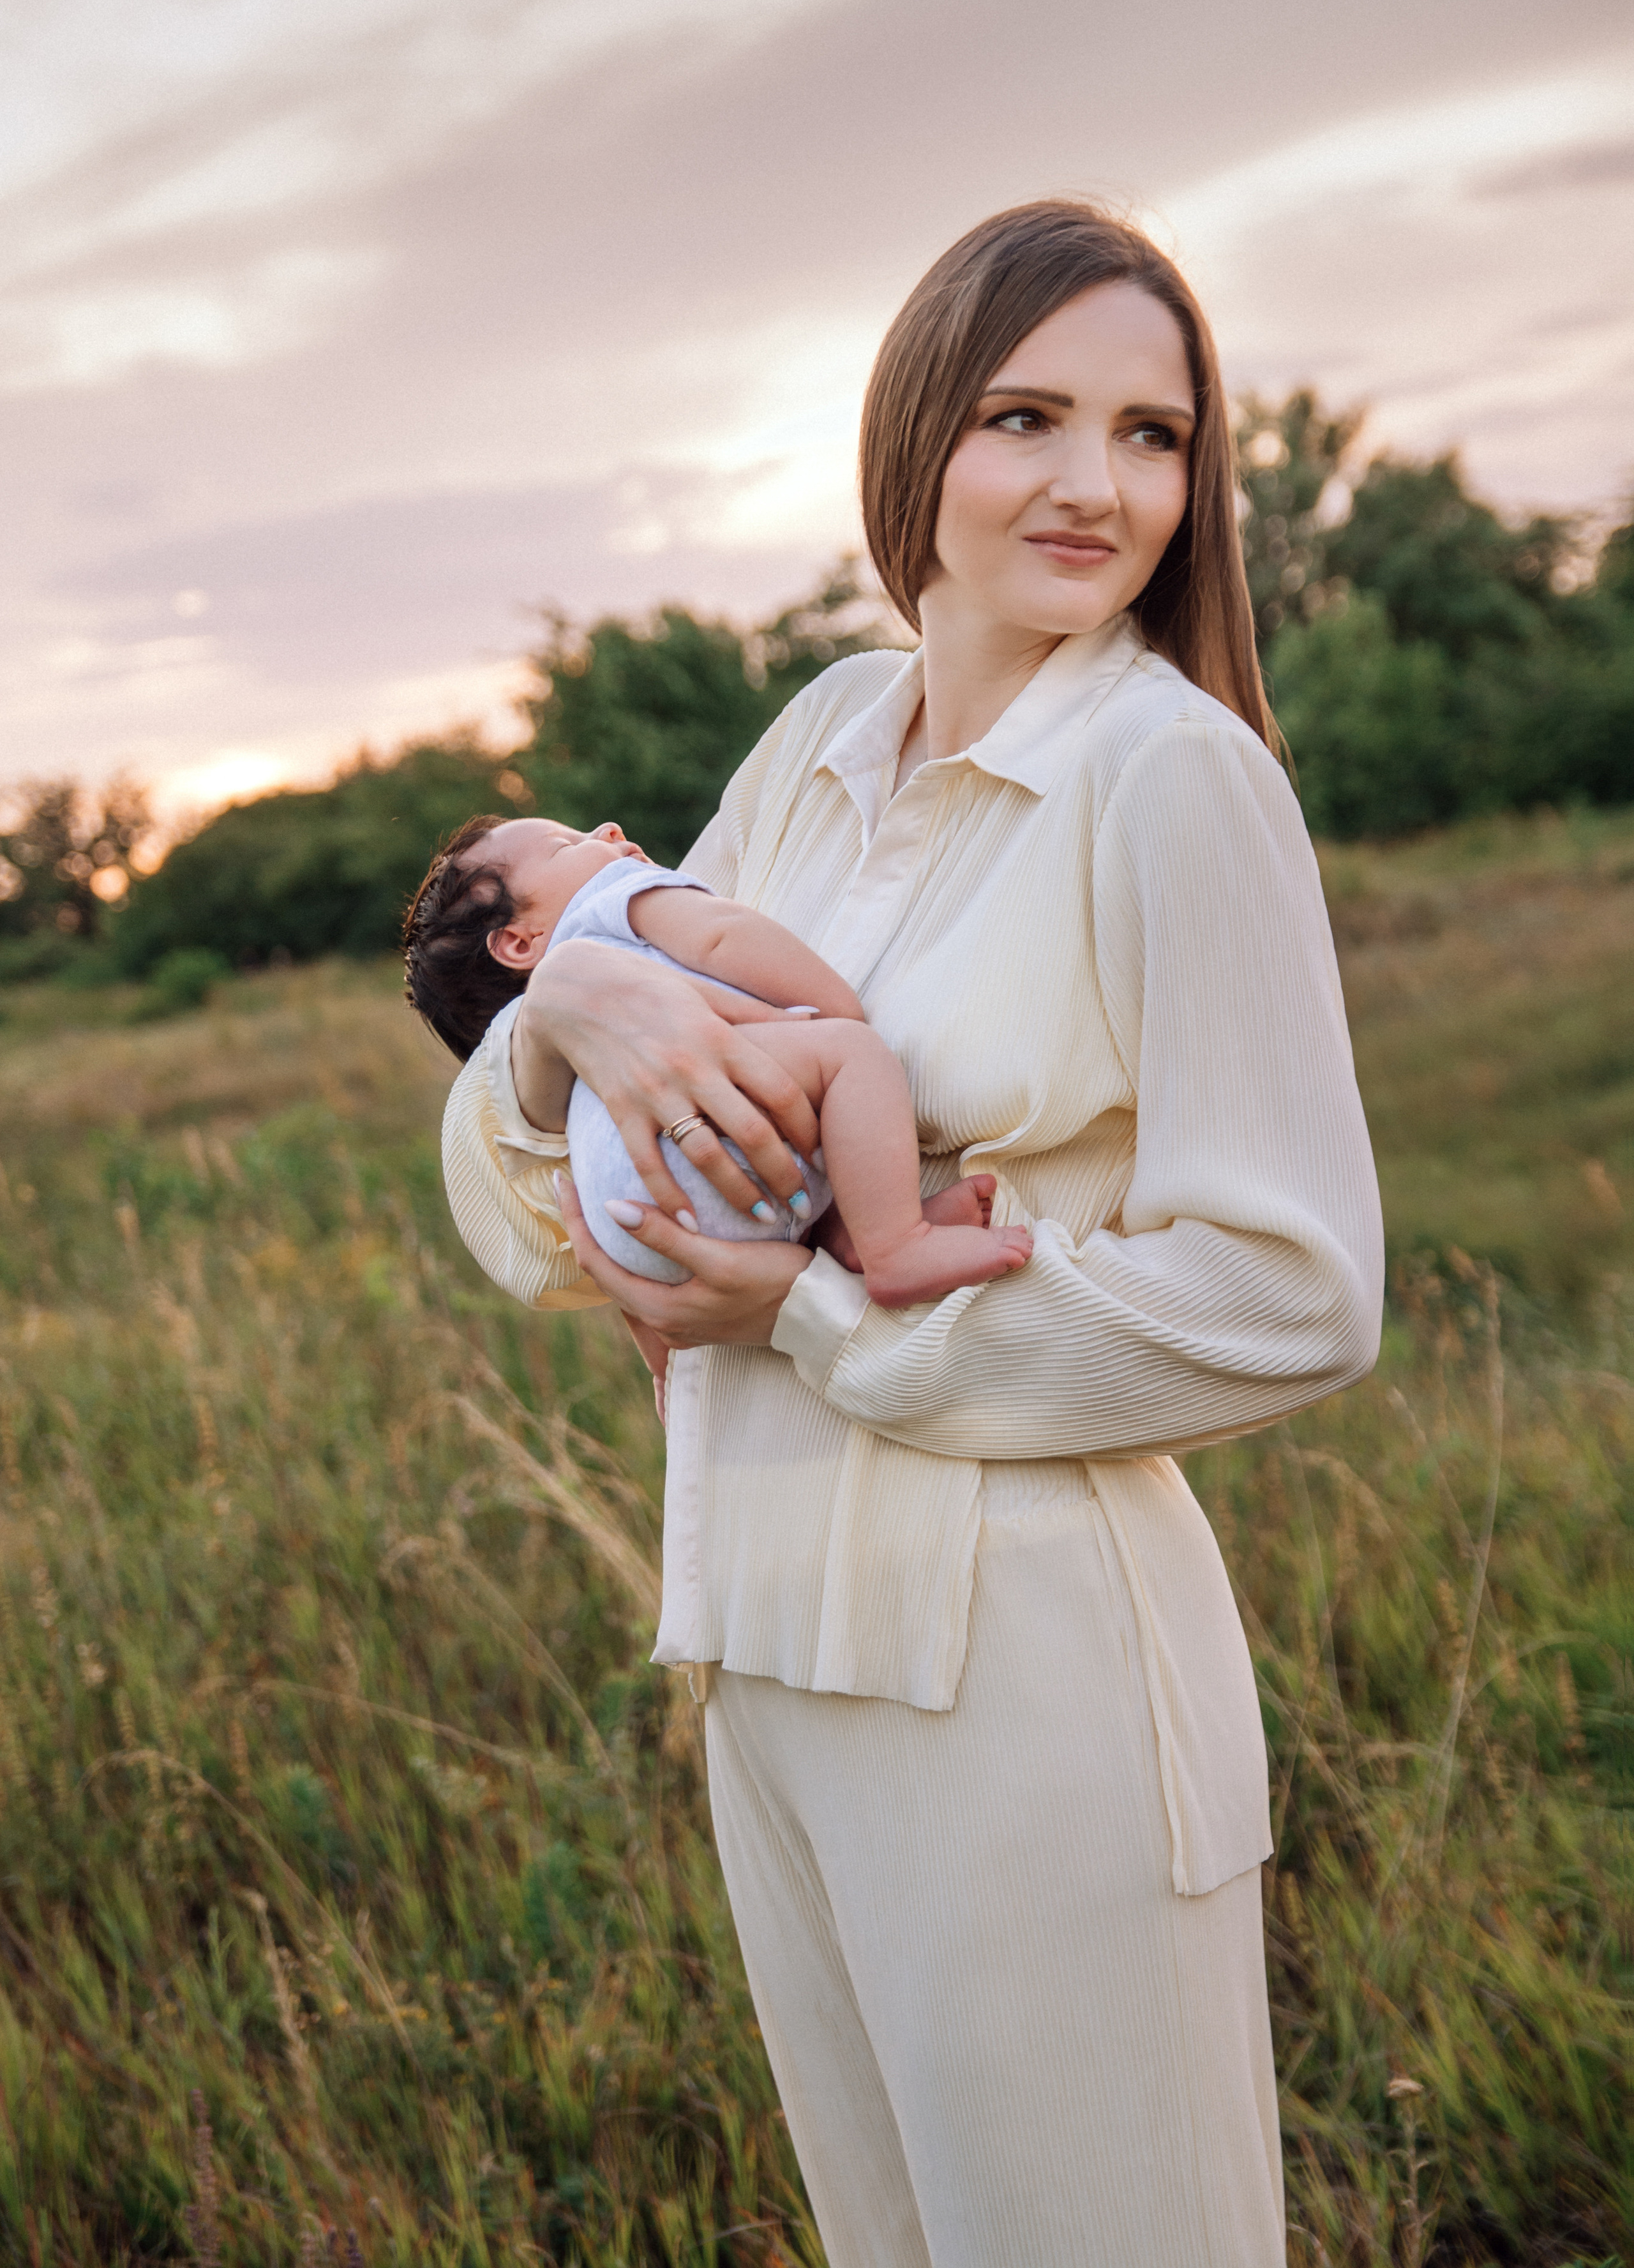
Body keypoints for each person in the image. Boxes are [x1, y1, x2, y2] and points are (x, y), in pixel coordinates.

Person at [437, 197, 1384, 2267]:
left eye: (1154, 435)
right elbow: (542, 1230)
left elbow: (1300, 1292)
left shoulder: (1172, 780)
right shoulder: (813, 754)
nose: (1095, 486)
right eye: (1028, 416)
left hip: (1021, 1675)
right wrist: (554, 1028)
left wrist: (819, 1313)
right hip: (766, 1649)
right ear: (914, 444)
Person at [402, 813, 1031, 1303]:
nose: (609, 831)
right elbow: (719, 934)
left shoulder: (576, 1055)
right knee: (848, 1056)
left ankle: (836, 1238)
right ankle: (896, 1243)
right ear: (518, 941)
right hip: (719, 1161)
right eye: (568, 846)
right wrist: (830, 1006)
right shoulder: (617, 900)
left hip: (636, 1231)